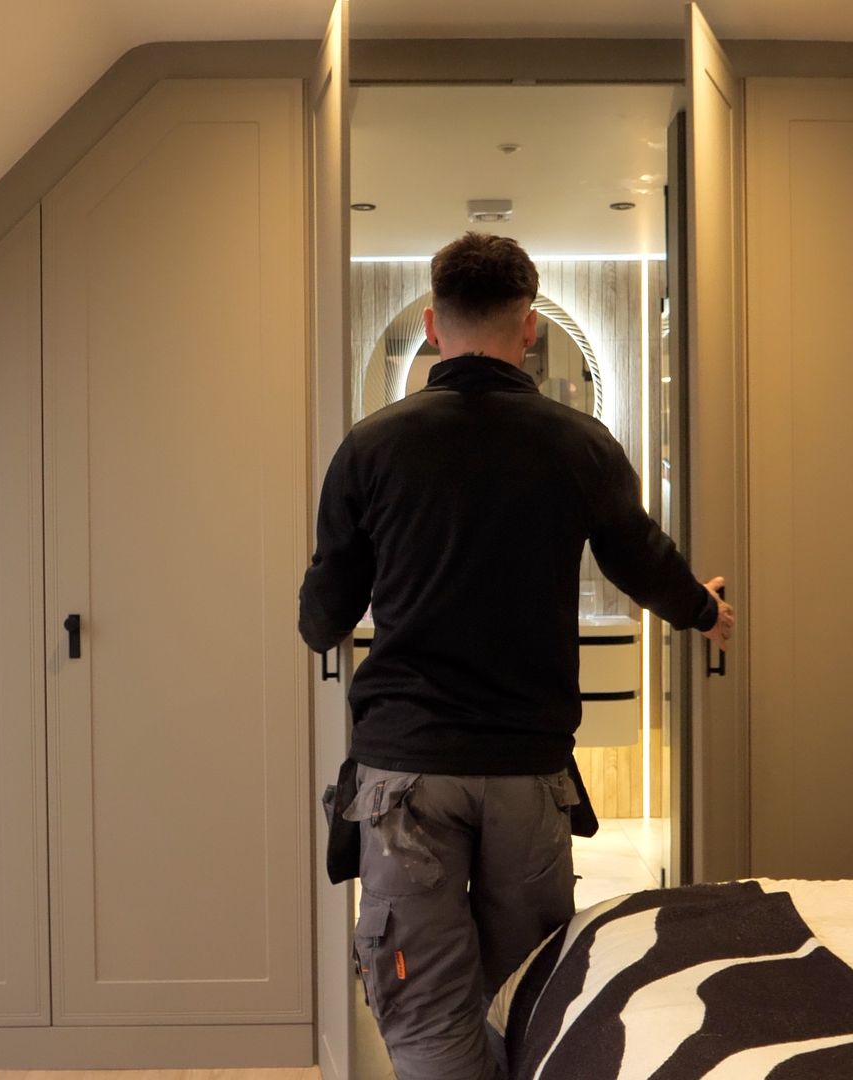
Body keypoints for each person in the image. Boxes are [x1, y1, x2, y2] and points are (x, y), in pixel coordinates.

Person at [299, 231, 734, 1080]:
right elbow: (641, 558)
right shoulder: (579, 443)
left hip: (408, 771)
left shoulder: (373, 445)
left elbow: (325, 617)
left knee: (422, 1005)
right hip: (526, 770)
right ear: (528, 327)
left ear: (432, 325)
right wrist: (702, 610)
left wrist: (327, 606)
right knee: (529, 992)